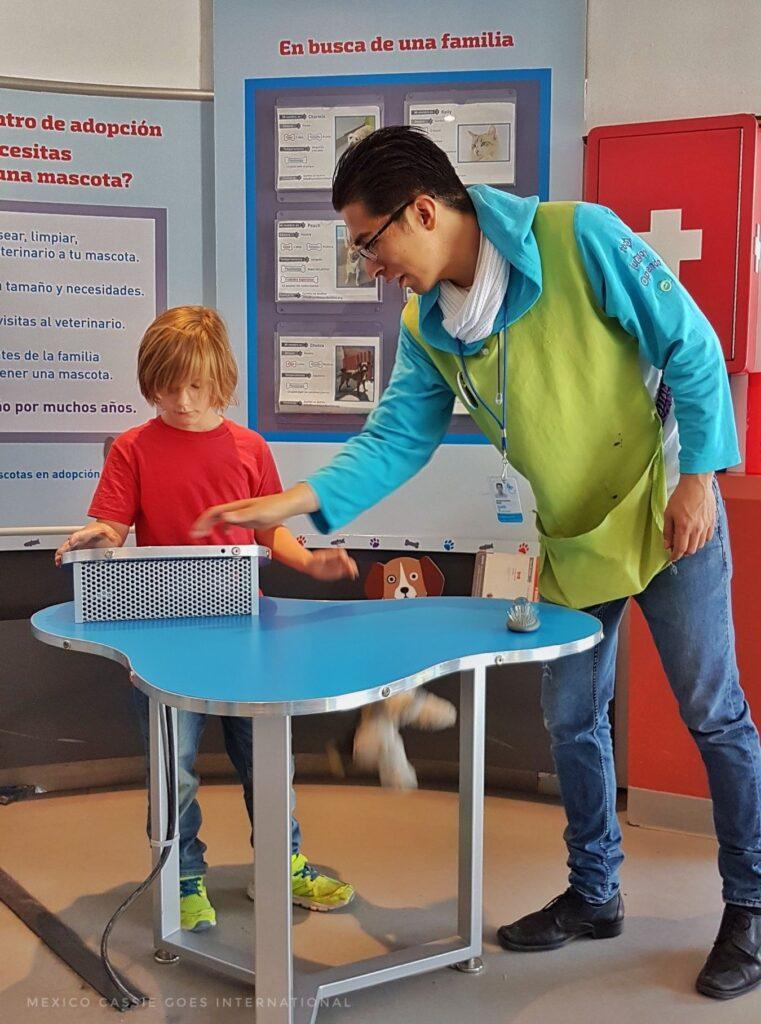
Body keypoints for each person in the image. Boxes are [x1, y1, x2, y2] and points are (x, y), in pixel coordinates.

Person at [193, 126, 761, 999]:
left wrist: (699, 476)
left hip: (664, 508)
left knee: (711, 711)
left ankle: (751, 906)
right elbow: (396, 438)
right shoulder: (431, 324)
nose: (370, 268)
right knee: (572, 718)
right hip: (573, 536)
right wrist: (300, 502)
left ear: (423, 210)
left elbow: (688, 346)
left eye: (369, 243)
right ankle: (594, 891)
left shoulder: (579, 239)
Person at [56, 306, 358, 931]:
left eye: (195, 386)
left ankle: (284, 864)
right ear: (150, 382)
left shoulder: (250, 448)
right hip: (161, 641)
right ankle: (183, 876)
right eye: (167, 386)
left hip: (248, 638)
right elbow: (112, 524)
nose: (181, 400)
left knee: (267, 759)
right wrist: (99, 537)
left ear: (220, 380)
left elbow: (271, 532)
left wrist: (310, 564)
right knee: (176, 767)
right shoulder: (132, 448)